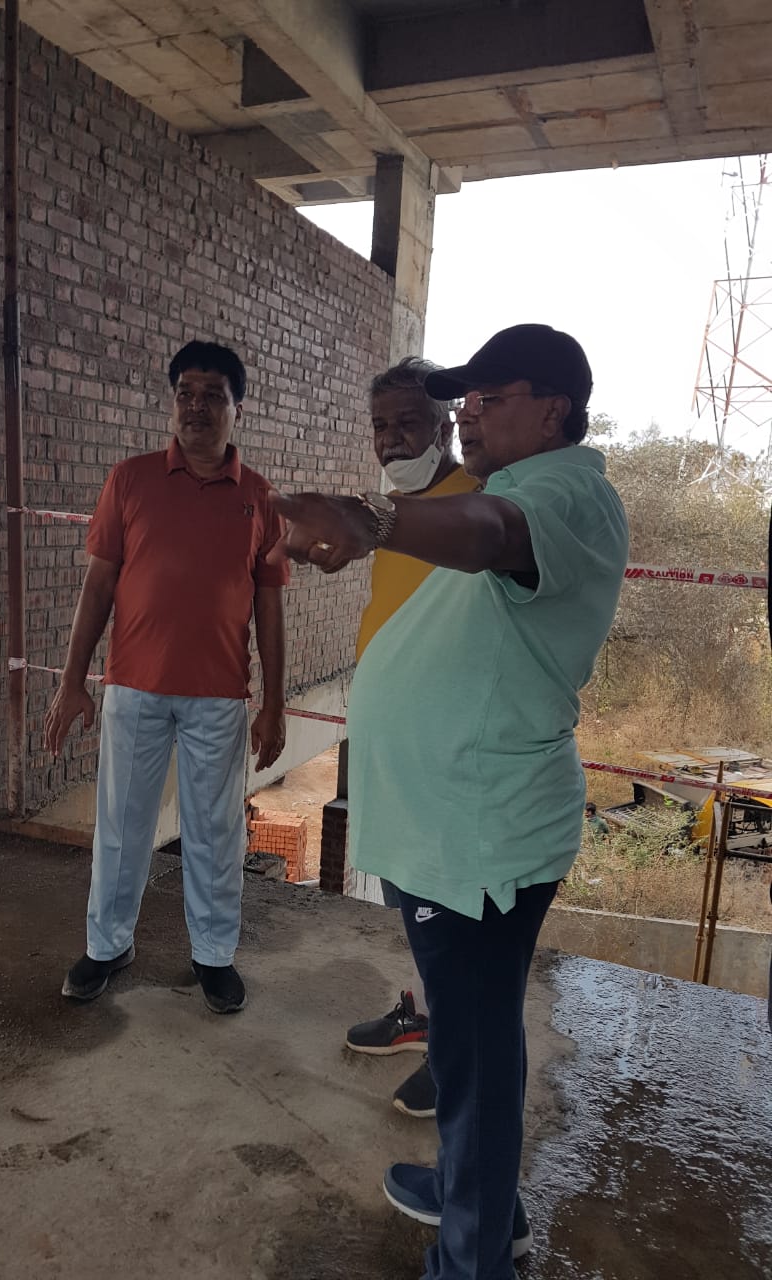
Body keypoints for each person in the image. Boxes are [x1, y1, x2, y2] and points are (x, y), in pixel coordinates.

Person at [269, 324, 628, 1279]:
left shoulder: (559, 497)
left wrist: (371, 520)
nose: (466, 415)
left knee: (471, 1052)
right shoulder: (509, 485)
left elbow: (488, 539)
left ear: (553, 405)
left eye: (490, 397)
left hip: (477, 833)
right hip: (454, 826)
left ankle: (473, 1258)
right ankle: (481, 1193)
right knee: (478, 1036)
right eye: (461, 400)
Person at [45, 340, 288, 1015]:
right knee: (123, 822)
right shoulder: (132, 480)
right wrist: (73, 681)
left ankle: (214, 957)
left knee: (216, 831)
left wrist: (274, 701)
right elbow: (98, 587)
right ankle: (106, 945)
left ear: (238, 406)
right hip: (134, 686)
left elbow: (269, 602)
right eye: (186, 392)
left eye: (213, 395)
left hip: (219, 694)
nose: (198, 406)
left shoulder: (259, 498)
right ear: (173, 401)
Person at [344, 357, 480, 1122]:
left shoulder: (477, 504)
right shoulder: (391, 509)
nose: (393, 441)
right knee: (413, 906)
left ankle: (453, 1053)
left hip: (446, 759)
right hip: (393, 751)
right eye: (381, 427)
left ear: (447, 425)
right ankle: (424, 1017)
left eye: (409, 423)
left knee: (446, 917)